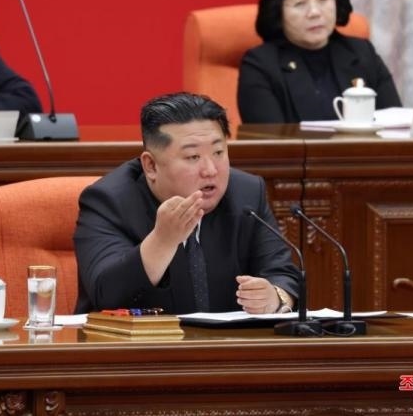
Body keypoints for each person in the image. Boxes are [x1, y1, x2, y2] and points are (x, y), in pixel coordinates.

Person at [74, 92, 300, 314]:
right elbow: (105, 294)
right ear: (151, 166)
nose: (210, 170)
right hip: (142, 339)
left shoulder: (246, 194)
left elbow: (284, 274)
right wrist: (162, 241)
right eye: (193, 157)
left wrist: (275, 297)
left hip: (229, 338)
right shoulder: (108, 202)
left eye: (218, 152)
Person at [237, 0, 401, 124]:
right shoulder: (260, 66)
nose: (314, 12)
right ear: (278, 11)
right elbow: (269, 139)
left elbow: (396, 125)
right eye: (299, 3)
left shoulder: (362, 54)